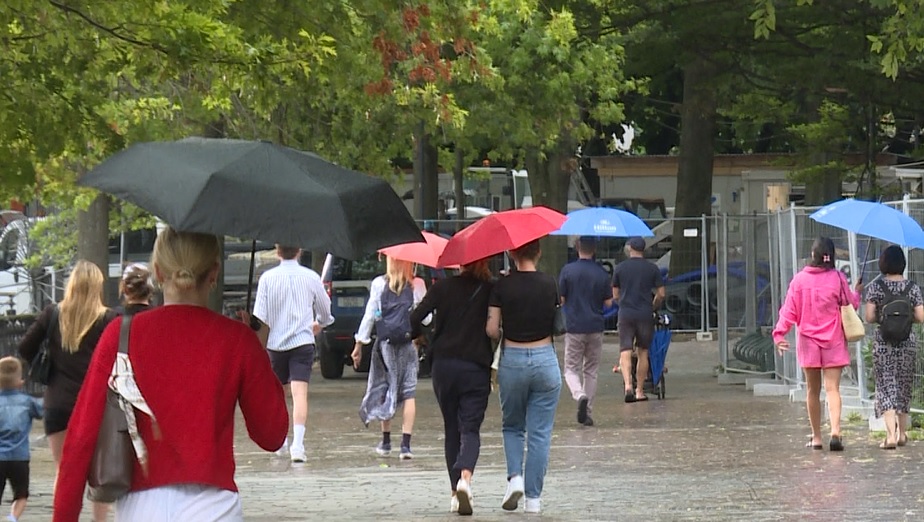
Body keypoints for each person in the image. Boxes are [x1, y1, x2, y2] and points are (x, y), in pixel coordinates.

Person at [53, 227, 288, 521]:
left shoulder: (121, 334)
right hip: (214, 506)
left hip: (141, 505)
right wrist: (259, 353)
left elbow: (80, 438)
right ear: (214, 273)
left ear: (158, 272)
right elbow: (272, 434)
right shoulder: (237, 339)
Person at [17, 259, 117, 522]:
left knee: (64, 472)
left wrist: (49, 355)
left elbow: (25, 348)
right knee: (98, 475)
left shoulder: (52, 314)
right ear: (97, 287)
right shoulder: (108, 319)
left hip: (58, 405)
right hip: (95, 406)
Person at [409, 258, 493, 516]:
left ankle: (455, 493)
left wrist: (425, 338)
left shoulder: (442, 288)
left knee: (451, 429)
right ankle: (465, 479)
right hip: (475, 367)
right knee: (470, 428)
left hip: (444, 366)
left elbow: (414, 318)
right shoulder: (491, 289)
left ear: (460, 263)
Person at [486, 239, 561, 515]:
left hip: (513, 360)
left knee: (513, 426)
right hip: (545, 359)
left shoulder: (501, 286)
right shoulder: (550, 283)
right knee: (540, 433)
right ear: (538, 252)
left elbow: (492, 329)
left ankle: (514, 478)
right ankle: (534, 500)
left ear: (510, 252)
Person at [772, 236, 862, 452]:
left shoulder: (799, 280)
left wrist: (779, 334)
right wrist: (857, 291)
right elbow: (849, 304)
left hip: (808, 342)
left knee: (813, 390)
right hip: (833, 340)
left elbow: (789, 311)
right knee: (833, 389)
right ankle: (836, 431)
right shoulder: (838, 278)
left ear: (813, 255)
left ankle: (817, 437)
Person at [251, 245, 334, 463]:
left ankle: (281, 441)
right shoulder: (311, 277)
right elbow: (325, 310)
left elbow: (260, 316)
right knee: (300, 394)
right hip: (302, 342)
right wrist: (319, 324)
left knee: (279, 395)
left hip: (276, 344)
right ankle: (298, 445)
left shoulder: (267, 279)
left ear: (277, 252)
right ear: (299, 251)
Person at [351, 255, 427, 460]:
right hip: (408, 345)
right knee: (409, 393)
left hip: (385, 346)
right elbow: (426, 318)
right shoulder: (417, 284)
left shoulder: (378, 283)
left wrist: (359, 343)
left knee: (387, 388)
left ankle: (386, 442)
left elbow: (369, 315)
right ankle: (406, 446)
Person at [863, 245, 924, 449]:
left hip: (884, 343)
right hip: (907, 342)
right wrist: (905, 320)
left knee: (886, 385)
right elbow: (921, 317)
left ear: (884, 263)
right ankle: (902, 434)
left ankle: (889, 435)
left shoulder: (876, 287)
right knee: (904, 385)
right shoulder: (912, 288)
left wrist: (884, 318)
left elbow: (869, 317)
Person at [559, 237, 613, 426]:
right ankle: (587, 411)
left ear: (577, 247)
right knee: (591, 370)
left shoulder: (568, 271)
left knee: (570, 368)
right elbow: (608, 302)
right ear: (595, 249)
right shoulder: (601, 273)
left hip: (574, 326)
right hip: (596, 326)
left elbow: (562, 300)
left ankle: (579, 394)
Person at [612, 236, 665, 402]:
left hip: (626, 313)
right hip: (644, 313)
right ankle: (639, 390)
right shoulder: (652, 268)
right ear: (644, 249)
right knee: (643, 351)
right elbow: (661, 293)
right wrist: (653, 305)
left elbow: (615, 295)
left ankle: (627, 385)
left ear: (629, 249)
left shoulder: (620, 268)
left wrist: (622, 303)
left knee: (625, 350)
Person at [0, 357, 43, 522]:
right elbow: (42, 411)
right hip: (20, 457)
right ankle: (12, 517)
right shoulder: (27, 402)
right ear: (20, 382)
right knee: (21, 494)